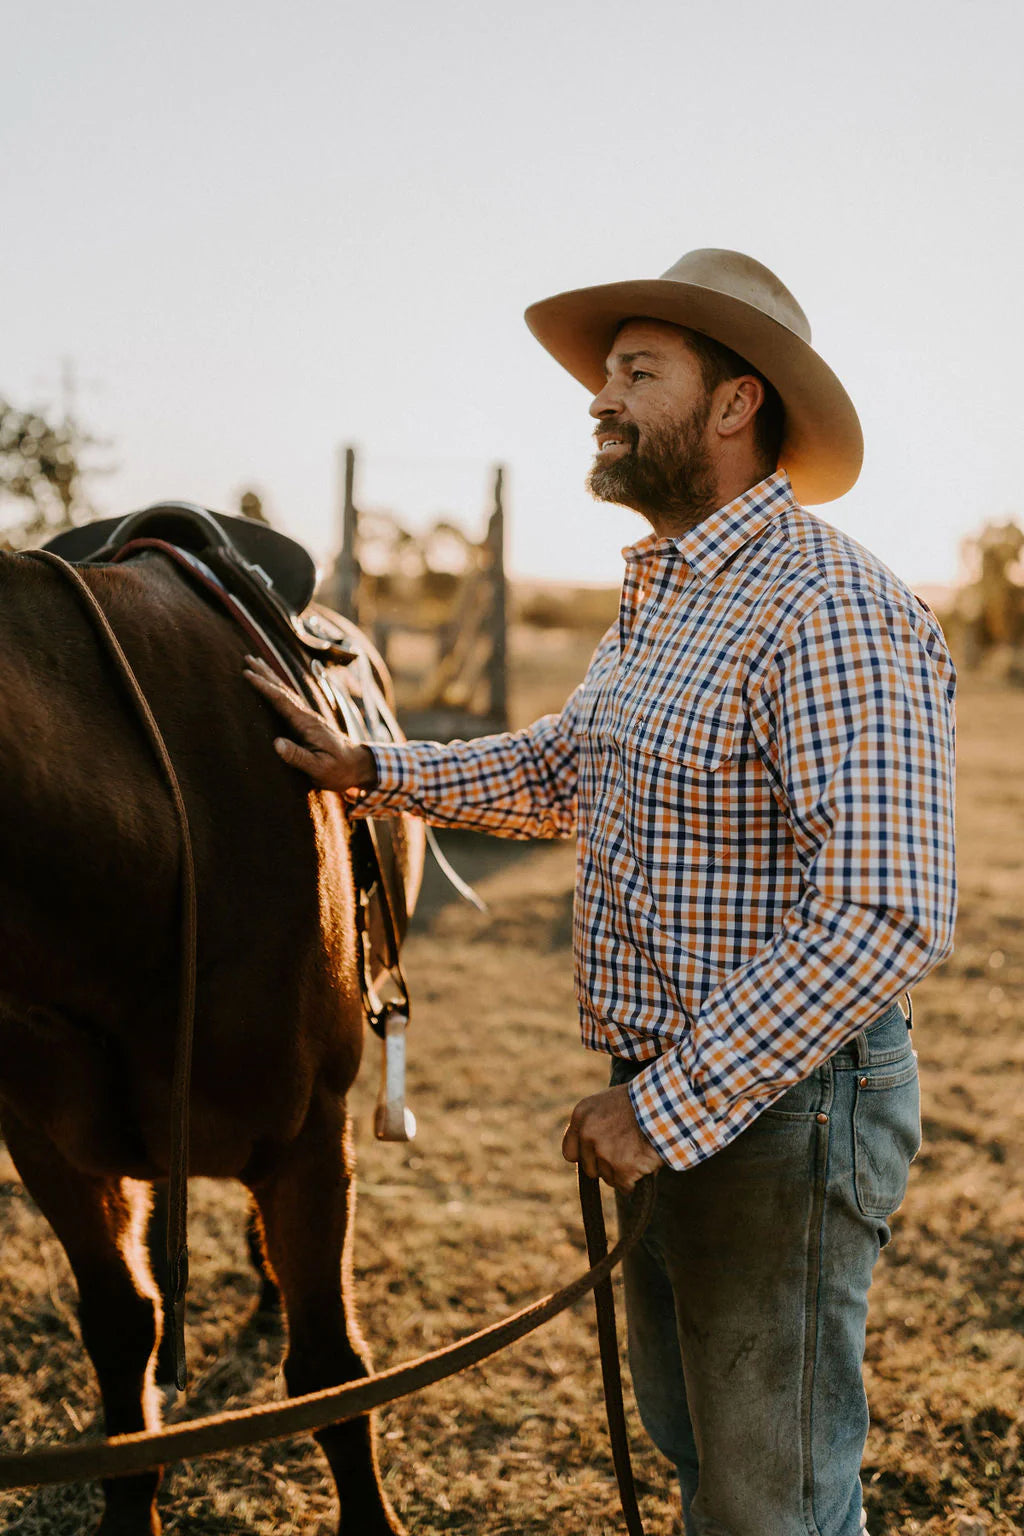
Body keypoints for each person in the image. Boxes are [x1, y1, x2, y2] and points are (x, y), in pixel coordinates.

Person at [244, 248, 957, 1536]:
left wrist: (664, 1108)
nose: (600, 399)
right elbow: (567, 766)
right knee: (706, 1456)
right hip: (685, 1091)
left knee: (771, 1502)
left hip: (784, 1112)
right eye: (605, 374)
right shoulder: (667, 593)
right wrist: (372, 770)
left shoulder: (833, 605)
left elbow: (886, 913)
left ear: (735, 405)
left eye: (639, 372)